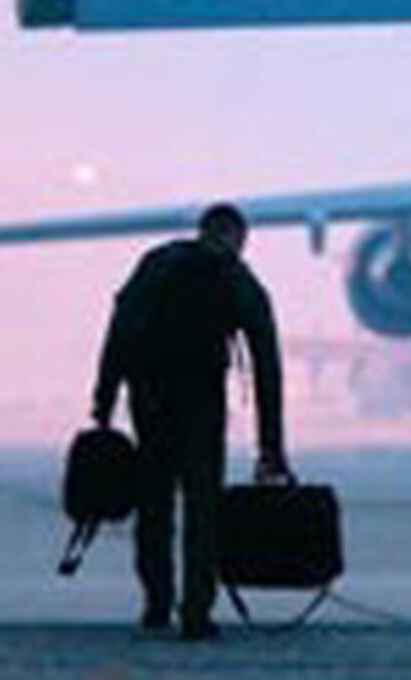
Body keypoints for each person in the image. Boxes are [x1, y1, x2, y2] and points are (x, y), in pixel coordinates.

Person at [93, 203, 289, 641]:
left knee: (154, 504)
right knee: (203, 508)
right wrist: (270, 445)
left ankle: (156, 603)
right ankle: (197, 610)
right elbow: (266, 366)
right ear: (237, 238)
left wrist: (103, 400)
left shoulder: (156, 264)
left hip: (150, 398)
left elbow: (120, 329)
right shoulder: (236, 279)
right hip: (201, 402)